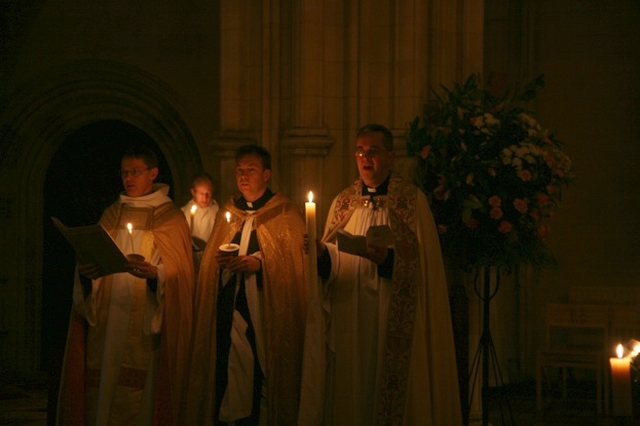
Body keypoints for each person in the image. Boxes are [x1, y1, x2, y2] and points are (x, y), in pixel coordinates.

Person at [299, 124, 463, 425]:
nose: (365, 157)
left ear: (390, 156)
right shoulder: (342, 203)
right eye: (360, 151)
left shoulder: (412, 203)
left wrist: (388, 261)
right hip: (351, 314)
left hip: (392, 313)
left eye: (372, 151)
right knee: (354, 385)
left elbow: (423, 268)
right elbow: (332, 266)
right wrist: (322, 255)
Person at [56, 145, 194, 426]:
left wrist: (157, 275)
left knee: (139, 396)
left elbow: (181, 273)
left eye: (135, 172)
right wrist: (86, 273)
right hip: (107, 322)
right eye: (124, 172)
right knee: (104, 388)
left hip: (145, 321)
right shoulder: (111, 213)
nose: (128, 178)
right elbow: (94, 255)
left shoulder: (170, 217)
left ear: (153, 173)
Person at [187, 145, 307, 425]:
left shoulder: (285, 213)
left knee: (258, 380)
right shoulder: (229, 211)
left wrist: (261, 264)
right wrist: (218, 262)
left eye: (250, 170)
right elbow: (208, 265)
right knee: (227, 375)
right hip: (229, 308)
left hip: (266, 313)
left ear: (267, 174)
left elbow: (297, 267)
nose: (243, 176)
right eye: (239, 170)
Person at [181, 171, 220, 279]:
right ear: (193, 192)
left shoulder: (218, 211)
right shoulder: (184, 213)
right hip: (191, 260)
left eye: (209, 194)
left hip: (212, 260)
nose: (205, 198)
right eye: (202, 194)